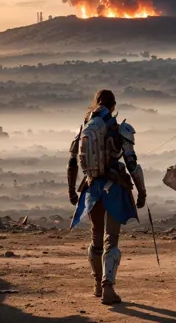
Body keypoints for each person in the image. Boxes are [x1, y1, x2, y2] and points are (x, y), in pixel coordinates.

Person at [67, 89, 147, 305]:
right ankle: (108, 287)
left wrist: (71, 191)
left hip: (91, 188)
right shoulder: (120, 130)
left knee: (96, 237)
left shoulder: (84, 128)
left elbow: (73, 162)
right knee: (111, 239)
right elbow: (132, 164)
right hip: (114, 188)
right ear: (114, 106)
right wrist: (142, 191)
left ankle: (96, 285)